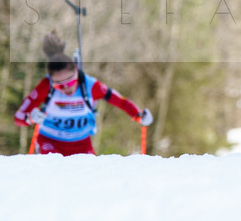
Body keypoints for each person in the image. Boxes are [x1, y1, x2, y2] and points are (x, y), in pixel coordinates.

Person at [14, 31, 153, 155]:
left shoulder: (91, 86)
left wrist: (138, 115)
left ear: (76, 72)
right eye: (59, 86)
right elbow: (18, 117)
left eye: (69, 82)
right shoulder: (46, 86)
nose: (66, 89)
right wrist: (30, 118)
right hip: (50, 141)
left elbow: (120, 101)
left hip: (81, 143)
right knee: (54, 173)